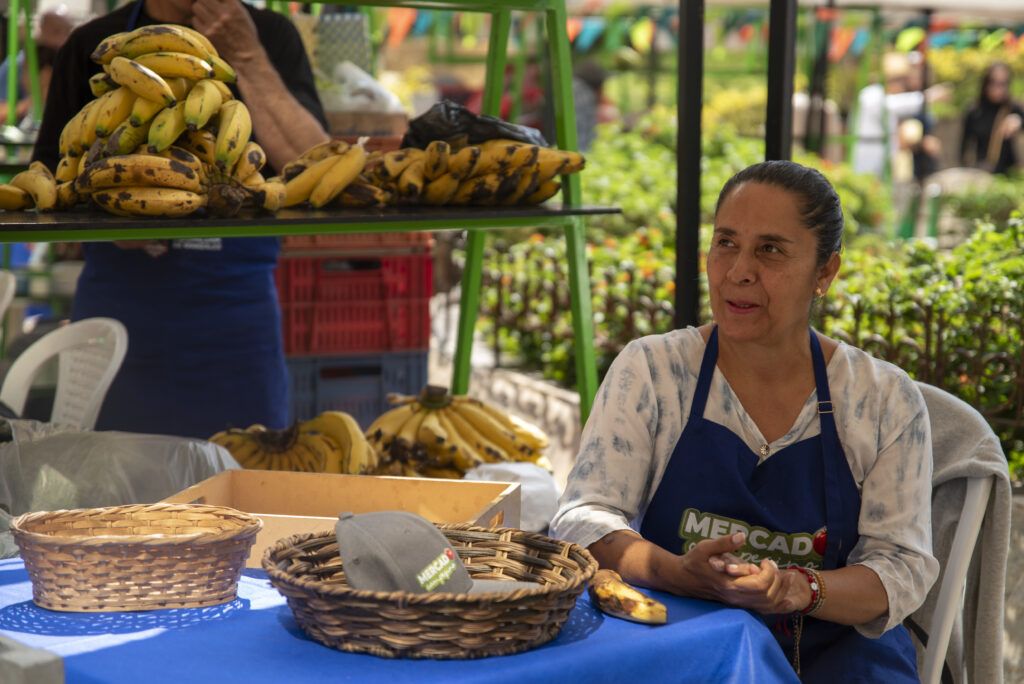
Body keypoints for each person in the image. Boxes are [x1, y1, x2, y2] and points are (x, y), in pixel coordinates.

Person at [551, 160, 937, 681]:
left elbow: (902, 569)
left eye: (770, 250)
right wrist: (677, 573)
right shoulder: (654, 371)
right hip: (683, 645)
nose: (738, 271)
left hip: (838, 659)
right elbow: (584, 517)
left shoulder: (881, 399)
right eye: (726, 243)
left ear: (825, 272)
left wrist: (799, 588)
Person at [32, 0, 330, 438]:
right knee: (112, 493)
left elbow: (313, 163)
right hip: (120, 317)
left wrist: (246, 56)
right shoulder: (94, 47)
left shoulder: (268, 35)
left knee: (244, 478)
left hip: (236, 322)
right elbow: (48, 184)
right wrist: (107, 218)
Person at [852, 52, 948, 178]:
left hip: (885, 159)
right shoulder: (870, 95)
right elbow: (892, 105)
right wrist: (928, 97)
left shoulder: (881, 95)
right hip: (868, 157)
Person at [0, 9, 73, 124]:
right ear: (42, 29)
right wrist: (32, 102)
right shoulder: (16, 64)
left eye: (67, 31)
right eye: (56, 31)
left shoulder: (70, 63)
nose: (63, 38)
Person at [960, 62, 1024, 175]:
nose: (998, 89)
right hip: (982, 171)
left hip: (1009, 172)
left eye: (1003, 84)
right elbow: (964, 146)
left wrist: (1018, 121)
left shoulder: (1012, 108)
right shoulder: (975, 111)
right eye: (994, 83)